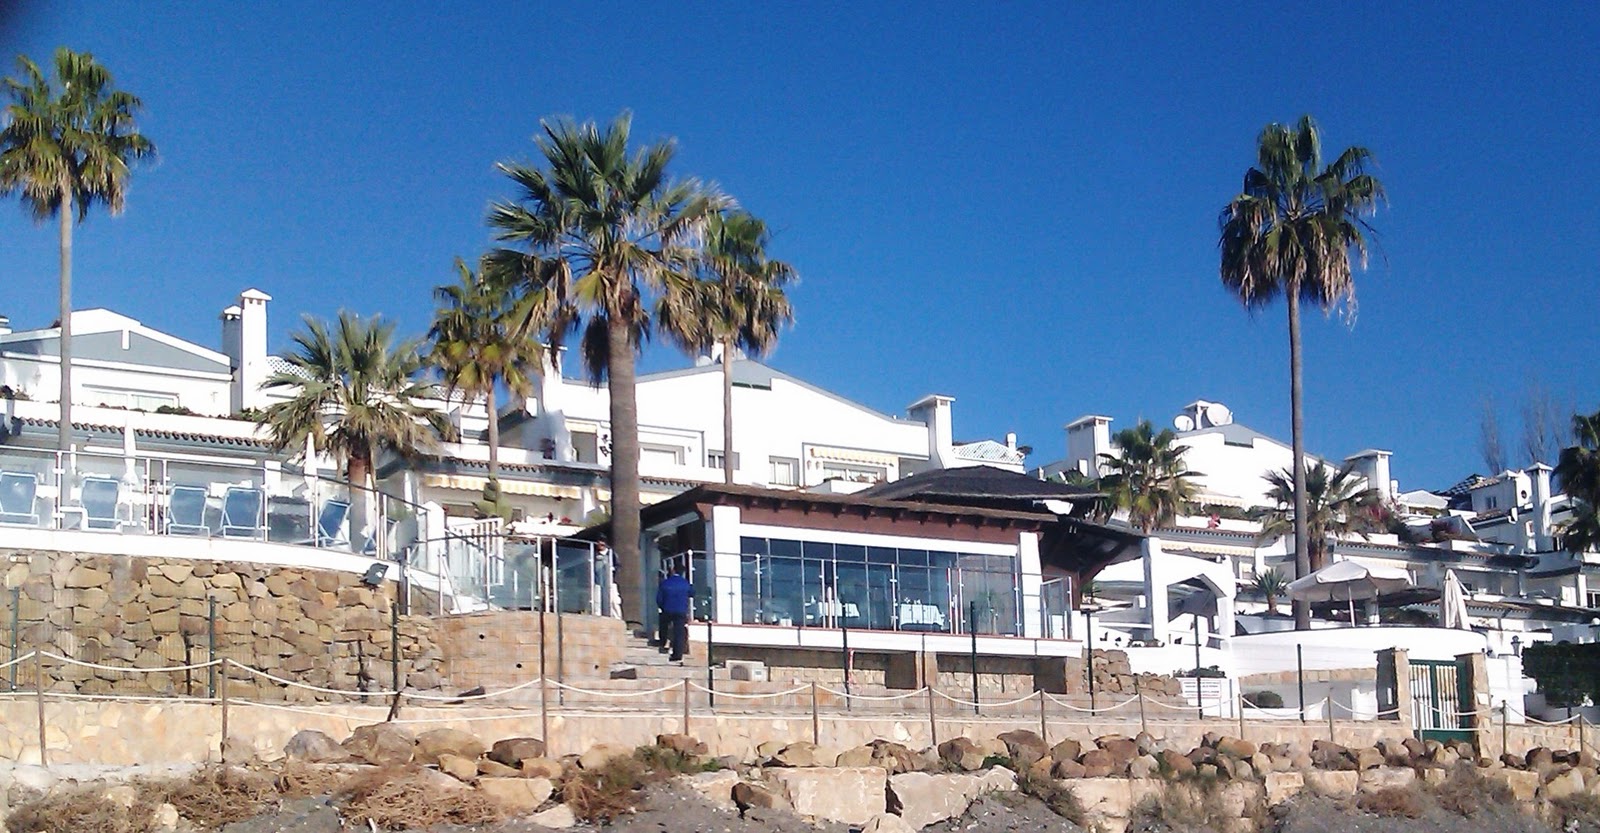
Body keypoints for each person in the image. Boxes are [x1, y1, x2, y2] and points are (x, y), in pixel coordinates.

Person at [656, 564, 692, 663]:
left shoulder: (666, 583)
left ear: (673, 570)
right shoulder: (685, 583)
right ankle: (677, 654)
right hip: (680, 611)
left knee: (663, 625)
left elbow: (659, 598)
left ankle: (662, 642)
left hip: (667, 609)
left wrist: (662, 607)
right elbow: (692, 593)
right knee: (679, 633)